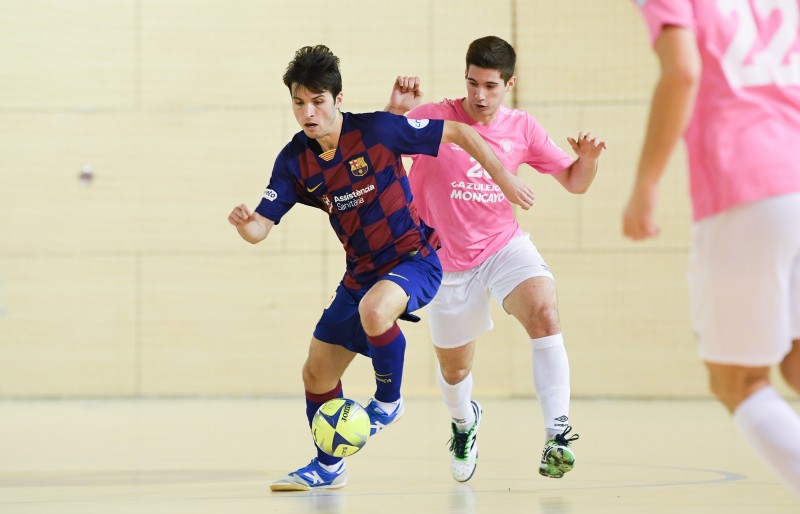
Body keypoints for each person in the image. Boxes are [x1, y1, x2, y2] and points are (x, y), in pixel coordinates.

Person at [228, 44, 536, 492]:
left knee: (376, 311)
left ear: (338, 99)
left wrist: (504, 178)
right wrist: (245, 225)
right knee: (317, 372)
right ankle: (329, 466)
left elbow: (460, 134)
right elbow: (260, 229)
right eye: (299, 102)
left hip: (415, 258)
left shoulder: (377, 129)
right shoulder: (296, 161)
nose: (308, 112)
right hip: (361, 274)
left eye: (317, 101)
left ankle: (388, 401)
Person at [386, 36, 607, 482]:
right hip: (442, 260)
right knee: (455, 369)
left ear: (510, 83)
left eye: (490, 86)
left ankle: (557, 435)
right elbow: (380, 156)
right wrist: (394, 114)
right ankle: (464, 424)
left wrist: (588, 161)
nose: (480, 96)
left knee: (544, 310)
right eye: (472, 84)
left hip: (502, 246)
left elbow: (575, 182)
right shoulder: (435, 117)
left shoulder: (522, 128)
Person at [623, 0, 800, 495]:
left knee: (737, 381)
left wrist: (646, 184)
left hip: (748, 179)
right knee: (795, 362)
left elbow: (682, 71)